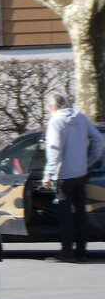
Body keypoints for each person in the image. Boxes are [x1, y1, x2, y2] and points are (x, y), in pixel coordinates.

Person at [41, 92, 105, 261]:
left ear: (52, 107)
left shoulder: (56, 122)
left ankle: (67, 252)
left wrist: (48, 174)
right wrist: (89, 161)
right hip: (80, 174)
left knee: (65, 215)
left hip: (64, 177)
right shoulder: (82, 118)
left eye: (48, 107)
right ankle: (82, 252)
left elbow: (54, 151)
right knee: (81, 214)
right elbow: (98, 139)